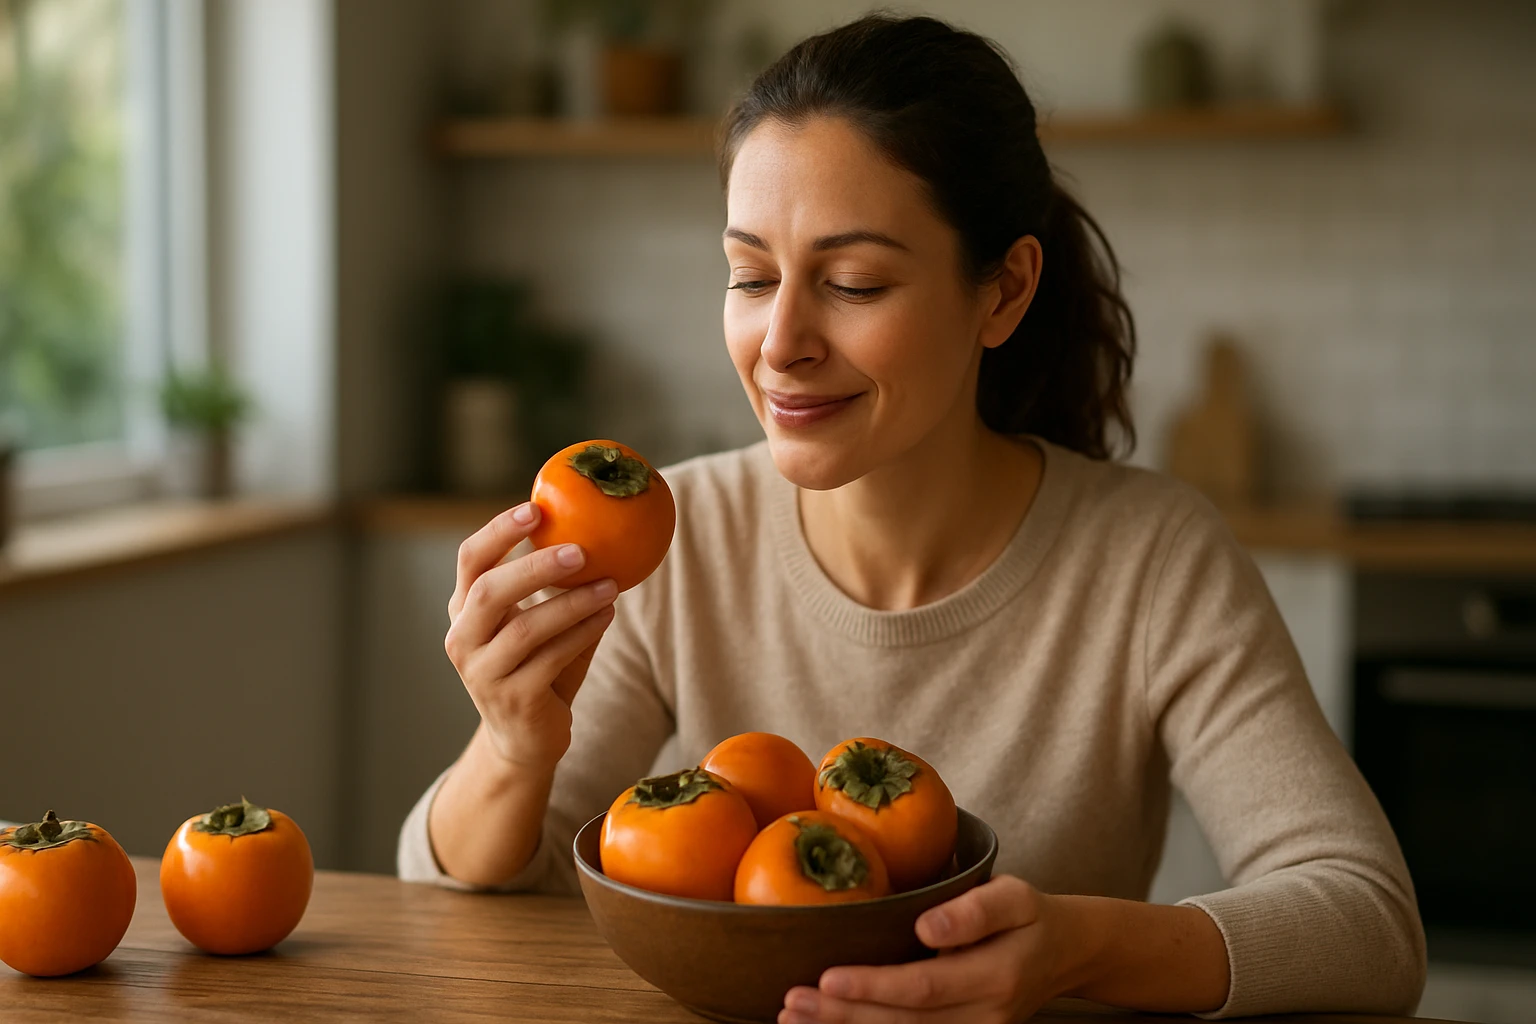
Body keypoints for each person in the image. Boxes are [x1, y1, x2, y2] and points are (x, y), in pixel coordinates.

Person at [401, 14, 1424, 1022]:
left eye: (853, 282)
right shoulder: (686, 536)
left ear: (1004, 290)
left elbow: (1368, 922)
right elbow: (456, 896)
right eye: (751, 276)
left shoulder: (1152, 557)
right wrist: (510, 745)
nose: (781, 341)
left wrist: (1074, 949)